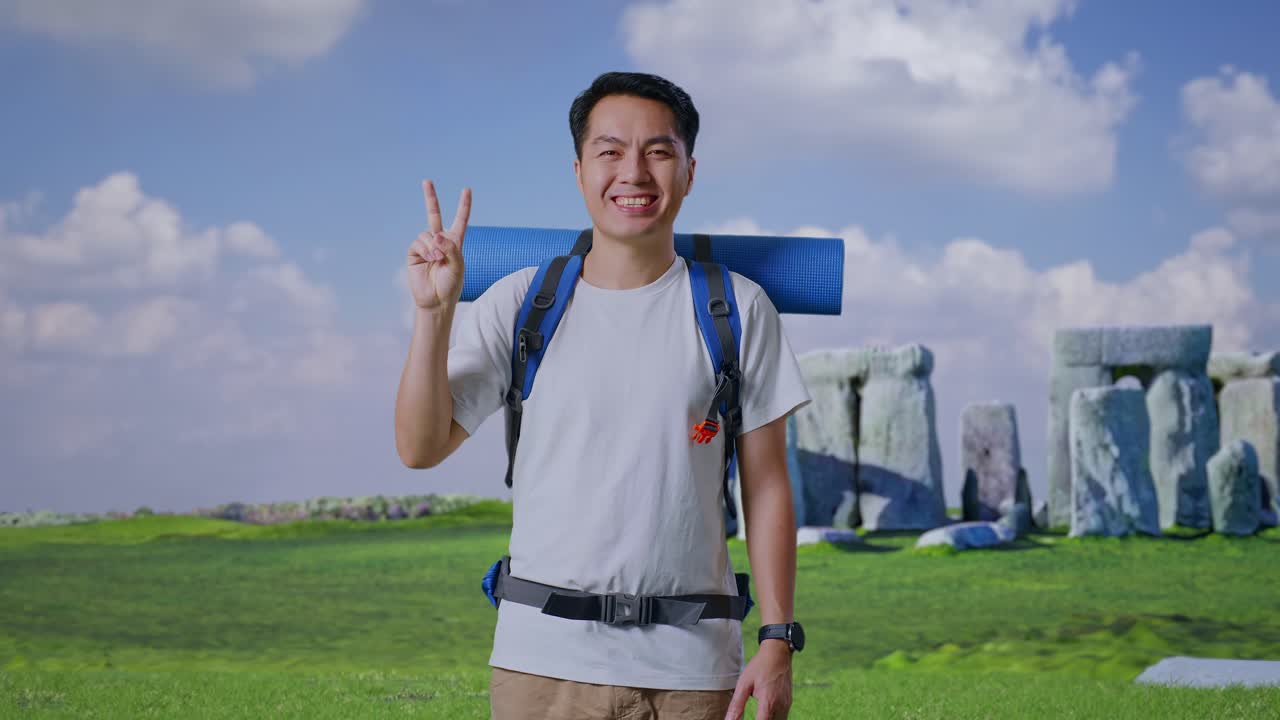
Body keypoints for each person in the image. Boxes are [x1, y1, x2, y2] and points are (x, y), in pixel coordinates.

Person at [395, 71, 812, 720]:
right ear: (579, 168)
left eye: (658, 151)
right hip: (543, 666)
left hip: (695, 671)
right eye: (610, 151)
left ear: (690, 171)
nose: (634, 173)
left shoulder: (737, 310)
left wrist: (778, 639)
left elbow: (766, 487)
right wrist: (433, 314)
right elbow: (420, 448)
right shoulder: (520, 305)